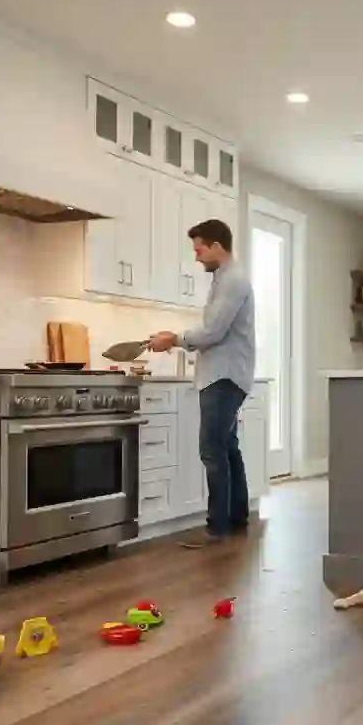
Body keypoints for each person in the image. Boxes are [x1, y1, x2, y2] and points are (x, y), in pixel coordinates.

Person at [149, 219, 255, 548]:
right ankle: (235, 519)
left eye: (199, 249)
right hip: (226, 374)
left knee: (212, 450)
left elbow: (213, 332)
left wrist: (174, 338)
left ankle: (216, 528)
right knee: (227, 447)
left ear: (216, 246)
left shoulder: (232, 281)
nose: (196, 257)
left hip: (223, 376)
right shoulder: (226, 279)